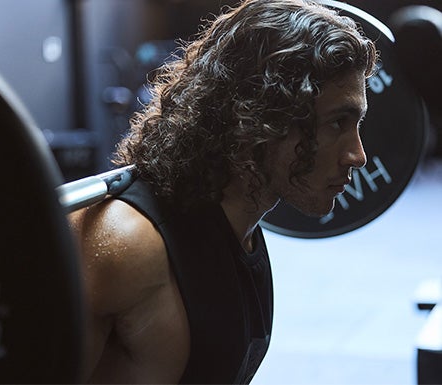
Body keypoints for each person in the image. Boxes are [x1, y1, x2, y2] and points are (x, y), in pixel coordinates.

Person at [68, 0, 378, 383]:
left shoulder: (242, 230)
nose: (358, 155)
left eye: (357, 123)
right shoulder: (127, 246)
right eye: (337, 123)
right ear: (262, 116)